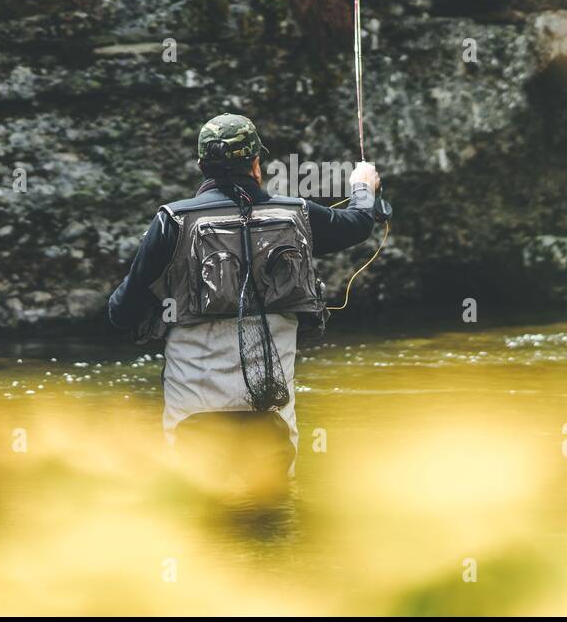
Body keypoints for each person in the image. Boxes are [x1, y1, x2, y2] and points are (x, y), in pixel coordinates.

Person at [106, 113, 384, 490]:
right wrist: (364, 187)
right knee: (271, 521)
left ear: (202, 166)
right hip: (269, 417)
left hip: (194, 417)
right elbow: (358, 223)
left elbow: (121, 315)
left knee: (199, 524)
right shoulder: (296, 215)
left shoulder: (171, 222)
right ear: (256, 163)